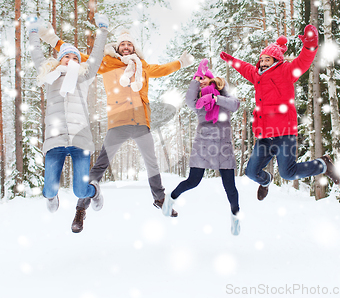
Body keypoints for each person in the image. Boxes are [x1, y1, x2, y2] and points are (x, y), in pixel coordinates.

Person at [39, 25, 194, 233]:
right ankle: (81, 208)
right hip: (118, 122)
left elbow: (162, 69)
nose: (126, 46)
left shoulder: (143, 66)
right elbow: (80, 56)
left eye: (130, 43)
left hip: (140, 121)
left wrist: (180, 63)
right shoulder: (106, 64)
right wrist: (53, 40)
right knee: (100, 165)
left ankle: (160, 199)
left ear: (134, 48)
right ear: (118, 47)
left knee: (152, 163)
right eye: (123, 44)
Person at [219, 25, 340, 201]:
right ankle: (266, 181)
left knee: (288, 173)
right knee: (251, 172)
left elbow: (303, 61)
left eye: (267, 59)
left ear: (276, 59)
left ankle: (323, 164)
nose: (263, 62)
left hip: (284, 133)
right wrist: (230, 60)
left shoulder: (286, 71)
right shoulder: (257, 75)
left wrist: (310, 46)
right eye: (261, 59)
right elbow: (244, 67)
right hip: (264, 135)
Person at [26, 13, 109, 213]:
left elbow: (96, 56)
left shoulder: (83, 77)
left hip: (80, 139)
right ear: (59, 59)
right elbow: (36, 53)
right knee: (48, 189)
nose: (70, 60)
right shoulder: (50, 76)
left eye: (75, 58)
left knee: (81, 191)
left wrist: (103, 30)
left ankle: (94, 192)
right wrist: (33, 31)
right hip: (55, 140)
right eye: (66, 57)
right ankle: (51, 196)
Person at [162, 59, 241, 236]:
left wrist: (215, 97)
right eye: (199, 79)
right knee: (193, 181)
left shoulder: (223, 97)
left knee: (230, 186)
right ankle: (170, 199)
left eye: (204, 78)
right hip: (203, 145)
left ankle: (235, 217)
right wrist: (195, 81)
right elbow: (189, 100)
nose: (202, 81)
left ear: (212, 79)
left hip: (223, 147)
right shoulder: (199, 103)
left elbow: (235, 104)